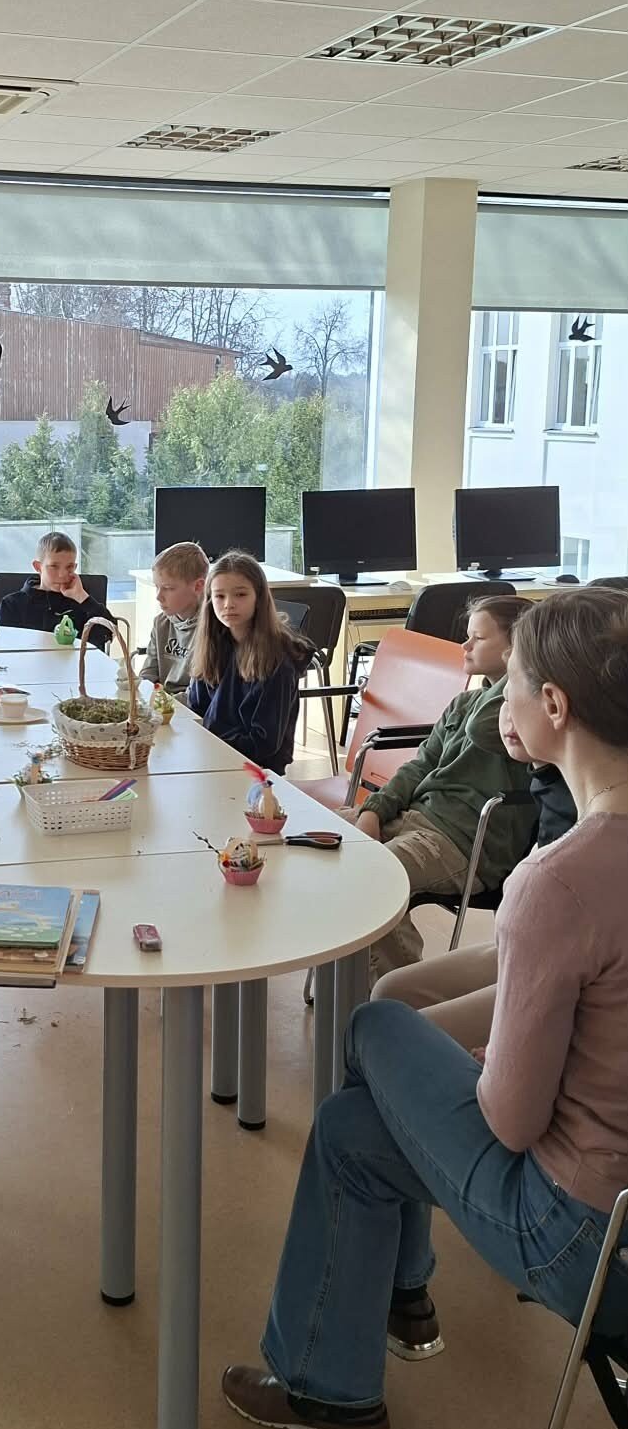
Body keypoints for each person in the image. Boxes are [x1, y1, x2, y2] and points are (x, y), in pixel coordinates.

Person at [221, 587, 628, 1429]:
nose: (502, 697)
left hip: (578, 1233)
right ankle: (374, 1335)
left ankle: (343, 1363)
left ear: (553, 705)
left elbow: (511, 1118)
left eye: (513, 681)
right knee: (353, 1120)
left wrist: (481, 1063)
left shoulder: (560, 878)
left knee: (373, 1029)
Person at [371, 698, 577, 1051]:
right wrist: (374, 810)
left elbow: (481, 727)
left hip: (561, 962)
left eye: (514, 691)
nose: (507, 710)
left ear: (554, 702)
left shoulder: (588, 808)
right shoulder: (552, 775)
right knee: (387, 995)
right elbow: (427, 759)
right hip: (536, 943)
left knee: (386, 1034)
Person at [348, 595, 537, 979]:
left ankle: (400, 991)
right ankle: (351, 979)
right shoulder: (463, 703)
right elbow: (420, 764)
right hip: (415, 818)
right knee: (317, 843)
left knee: (372, 878)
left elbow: (481, 729)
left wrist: (523, 668)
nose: (464, 646)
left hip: (463, 842)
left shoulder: (520, 712)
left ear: (515, 650)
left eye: (478, 638)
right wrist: (373, 811)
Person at [185, 550, 313, 773]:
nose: (228, 604)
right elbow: (196, 710)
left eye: (241, 595)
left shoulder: (277, 661)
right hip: (212, 759)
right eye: (219, 596)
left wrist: (210, 740)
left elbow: (263, 743)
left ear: (259, 598)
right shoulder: (214, 645)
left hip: (256, 772)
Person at [0, 531, 116, 644]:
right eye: (54, 566)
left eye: (69, 567)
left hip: (73, 660)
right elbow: (7, 645)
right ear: (38, 567)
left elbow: (109, 633)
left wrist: (82, 597)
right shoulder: (12, 604)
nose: (62, 574)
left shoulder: (82, 603)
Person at [139, 540, 208, 697]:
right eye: (157, 587)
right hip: (162, 702)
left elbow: (200, 695)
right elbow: (148, 674)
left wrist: (162, 704)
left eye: (168, 588)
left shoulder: (211, 629)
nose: (158, 596)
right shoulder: (160, 623)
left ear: (198, 586)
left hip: (188, 706)